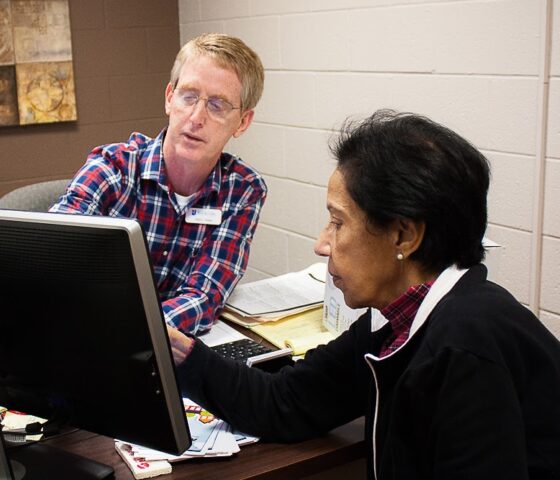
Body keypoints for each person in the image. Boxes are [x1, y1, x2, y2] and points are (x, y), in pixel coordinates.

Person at [168, 110, 560, 479]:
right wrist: (178, 352)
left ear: (404, 235)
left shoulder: (465, 346)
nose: (322, 243)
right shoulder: (396, 321)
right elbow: (284, 402)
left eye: (338, 222)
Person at [51, 33, 266, 335]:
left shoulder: (242, 191)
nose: (196, 117)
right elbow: (53, 253)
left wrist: (133, 331)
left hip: (160, 346)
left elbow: (204, 295)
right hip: (84, 335)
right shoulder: (113, 167)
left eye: (217, 105)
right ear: (169, 98)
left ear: (242, 122)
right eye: (188, 96)